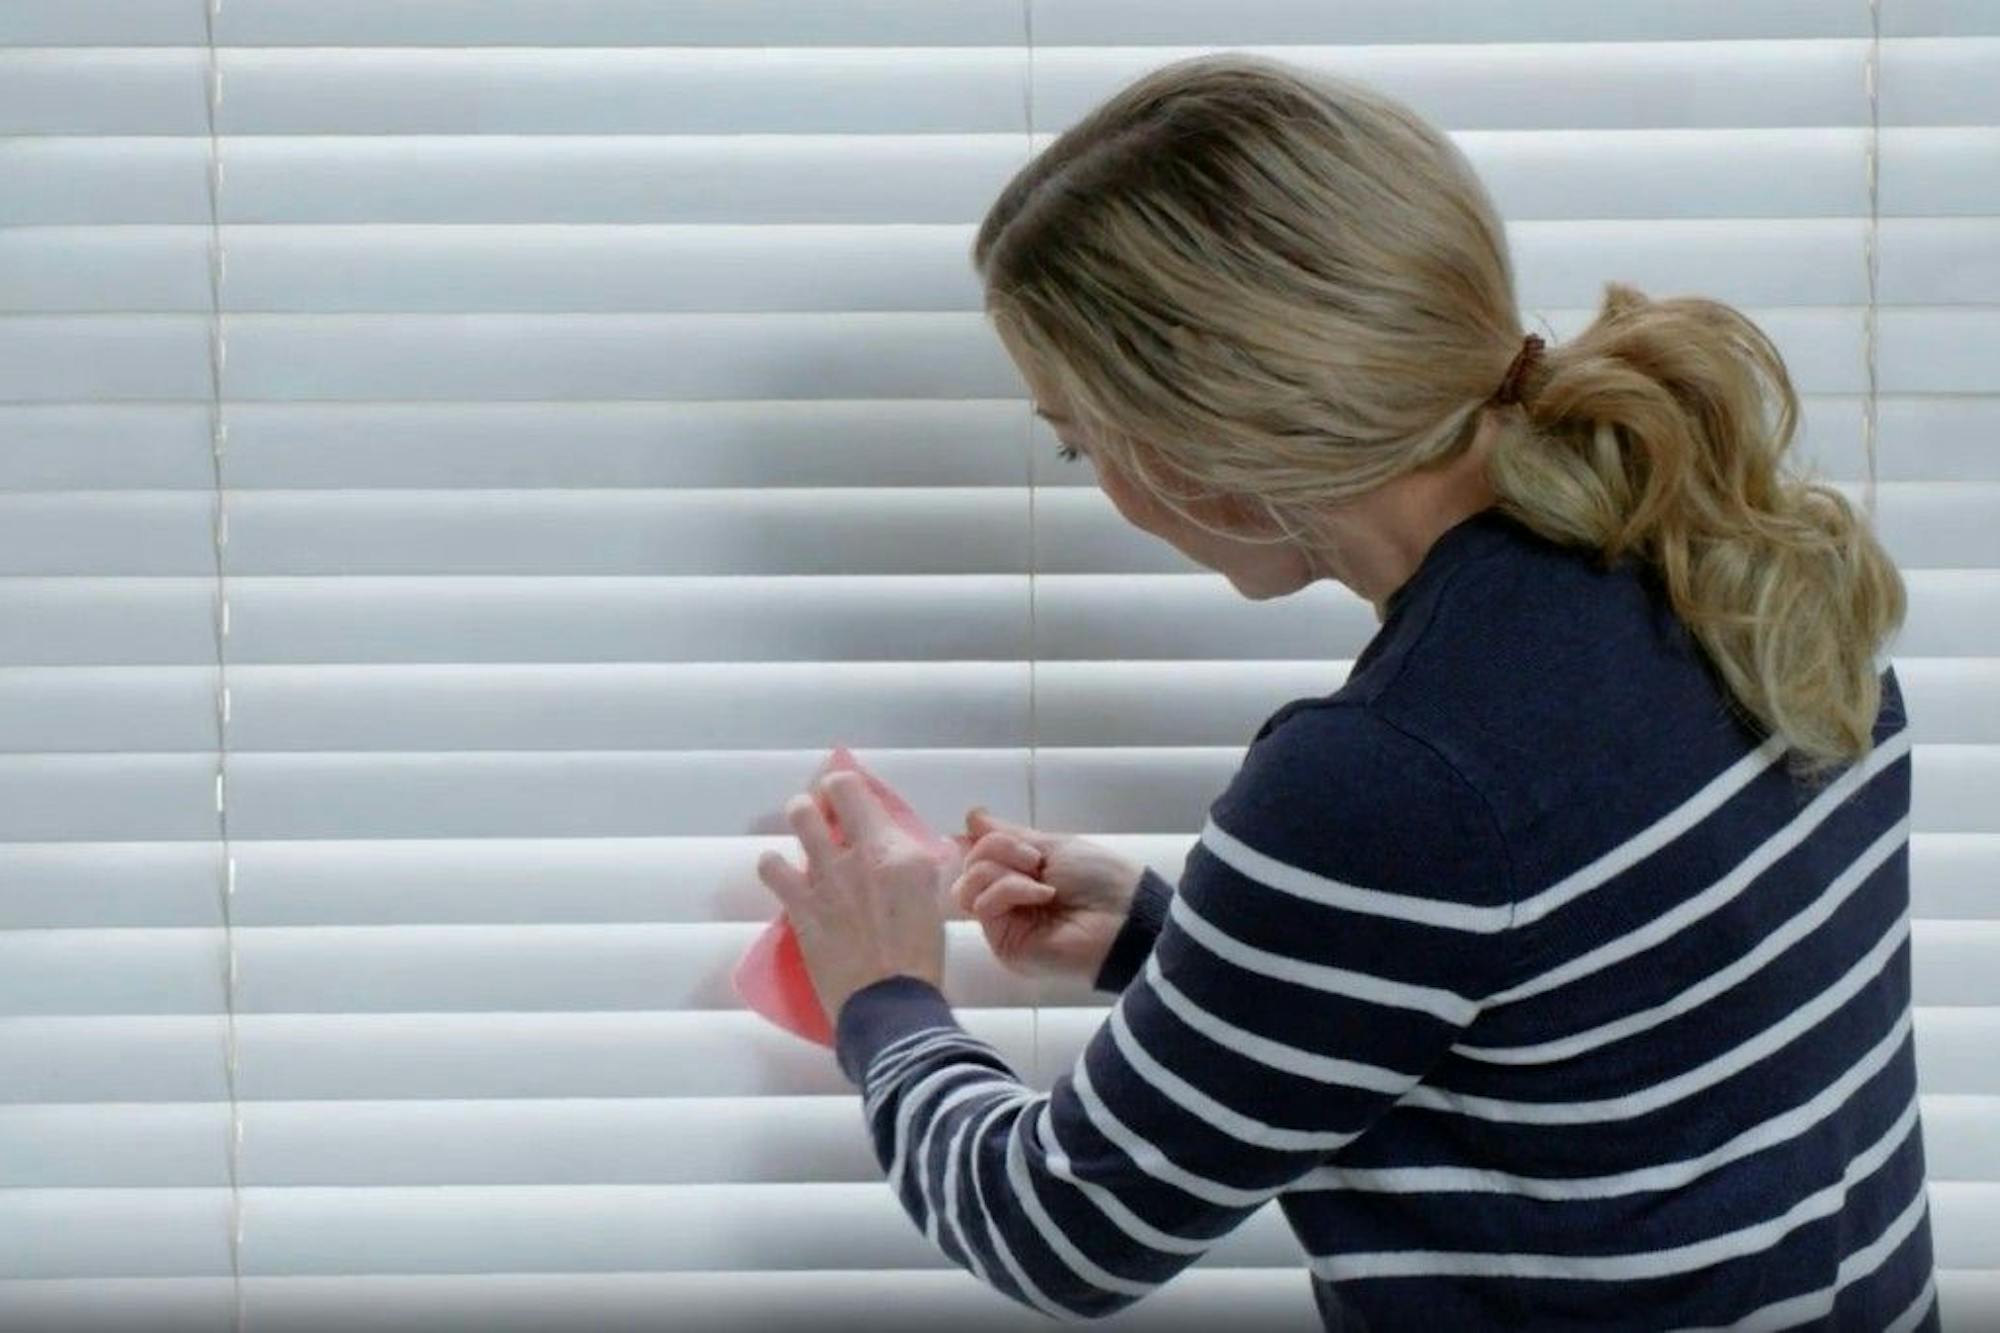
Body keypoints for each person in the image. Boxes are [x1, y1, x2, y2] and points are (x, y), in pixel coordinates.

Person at [753, 53, 1935, 1331]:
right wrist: (1176, 941)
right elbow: (1609, 1033)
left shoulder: (1394, 777)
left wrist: (883, 992)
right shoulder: (1729, 552)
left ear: (1203, 430)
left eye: (1076, 440)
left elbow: (1056, 1232)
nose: (1099, 482)